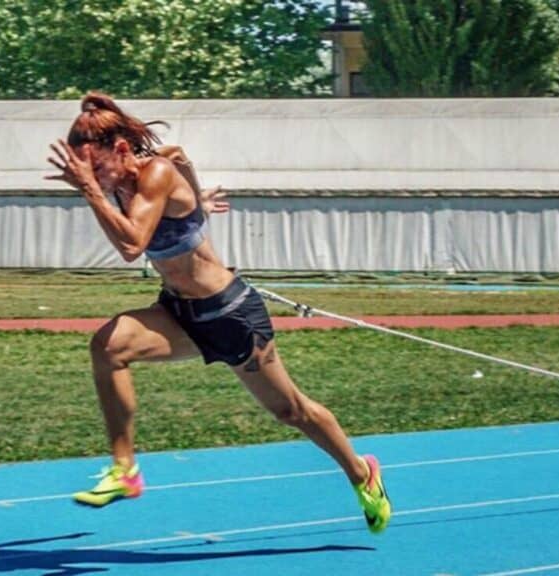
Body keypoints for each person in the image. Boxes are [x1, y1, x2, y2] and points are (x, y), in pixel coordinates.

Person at [45, 92, 391, 533]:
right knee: (109, 346)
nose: (94, 178)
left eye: (98, 168)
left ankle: (363, 473)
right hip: (179, 313)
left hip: (230, 315)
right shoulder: (131, 182)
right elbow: (181, 158)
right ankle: (124, 468)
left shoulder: (155, 173)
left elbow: (132, 245)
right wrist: (194, 207)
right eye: (86, 171)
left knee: (291, 411)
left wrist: (107, 192)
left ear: (122, 149)